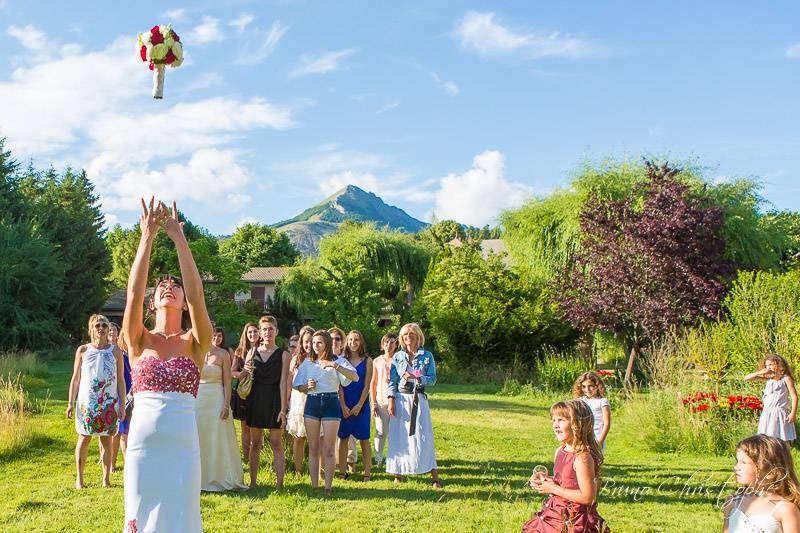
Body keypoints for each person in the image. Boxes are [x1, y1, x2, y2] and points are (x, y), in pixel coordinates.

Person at [121, 198, 213, 533]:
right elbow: (131, 294)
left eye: (174, 286)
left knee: (181, 520)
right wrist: (147, 236)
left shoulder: (196, 341)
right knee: (140, 517)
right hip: (144, 447)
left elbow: (198, 295)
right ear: (152, 302)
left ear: (183, 304)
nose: (168, 288)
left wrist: (178, 238)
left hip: (182, 447)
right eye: (162, 286)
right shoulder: (138, 340)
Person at [523, 399, 610, 532]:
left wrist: (553, 489)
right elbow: (566, 482)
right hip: (555, 513)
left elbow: (587, 497)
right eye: (554, 420)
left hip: (575, 520)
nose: (555, 425)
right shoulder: (560, 451)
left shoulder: (582, 457)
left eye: (561, 420)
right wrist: (546, 480)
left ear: (579, 424)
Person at [292, 330, 358, 496]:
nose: (315, 346)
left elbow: (355, 377)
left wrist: (334, 365)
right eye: (313, 343)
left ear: (327, 343)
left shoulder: (339, 361)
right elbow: (297, 386)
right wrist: (307, 386)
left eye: (319, 342)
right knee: (313, 448)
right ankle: (314, 486)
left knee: (328, 449)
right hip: (312, 403)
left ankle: (328, 486)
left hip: (331, 403)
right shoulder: (308, 363)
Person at [66, 314, 126, 489]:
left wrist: (122, 404)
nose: (101, 328)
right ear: (91, 329)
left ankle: (106, 479)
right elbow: (75, 378)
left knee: (106, 440)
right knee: (84, 438)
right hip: (87, 403)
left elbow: (120, 380)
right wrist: (71, 402)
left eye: (104, 325)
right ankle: (80, 478)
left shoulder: (115, 352)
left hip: (109, 402)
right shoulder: (83, 350)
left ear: (109, 329)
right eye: (97, 325)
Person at [386, 323, 441, 488]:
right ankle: (398, 473)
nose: (407, 337)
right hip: (401, 398)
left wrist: (418, 377)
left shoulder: (427, 356)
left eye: (410, 334)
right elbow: (393, 381)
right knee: (399, 436)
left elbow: (432, 378)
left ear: (418, 336)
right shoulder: (398, 357)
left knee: (423, 437)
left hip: (418, 397)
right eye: (404, 335)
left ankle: (434, 475)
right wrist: (391, 399)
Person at [241, 315, 291, 489]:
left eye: (271, 329)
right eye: (264, 329)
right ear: (260, 332)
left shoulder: (284, 354)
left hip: (275, 399)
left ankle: (280, 485)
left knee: (277, 443)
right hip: (255, 399)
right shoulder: (252, 352)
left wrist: (283, 409)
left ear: (276, 331)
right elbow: (243, 379)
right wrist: (245, 370)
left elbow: (284, 382)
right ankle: (253, 483)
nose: (267, 332)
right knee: (255, 443)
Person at [196, 327, 248, 491]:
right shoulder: (195, 352)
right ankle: (198, 477)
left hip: (216, 398)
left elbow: (227, 382)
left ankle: (219, 475)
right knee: (199, 437)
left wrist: (226, 404)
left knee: (217, 437)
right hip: (198, 400)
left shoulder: (223, 354)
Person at [723, 434, 800, 532]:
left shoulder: (786, 510)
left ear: (771, 472)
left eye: (743, 463)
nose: (736, 467)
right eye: (737, 461)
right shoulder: (733, 502)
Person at [337, 330, 373, 480]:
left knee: (364, 439)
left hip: (361, 405)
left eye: (356, 340)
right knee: (343, 438)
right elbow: (339, 385)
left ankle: (367, 473)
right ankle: (342, 472)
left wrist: (359, 405)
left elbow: (367, 385)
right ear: (347, 342)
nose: (353, 343)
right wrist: (343, 405)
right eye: (350, 340)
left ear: (361, 342)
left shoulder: (368, 361)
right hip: (345, 404)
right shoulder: (341, 360)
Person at [745, 354, 798, 443]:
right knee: (766, 439)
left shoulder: (785, 379)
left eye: (770, 365)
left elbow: (794, 396)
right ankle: (769, 456)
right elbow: (746, 378)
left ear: (778, 364)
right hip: (767, 412)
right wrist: (759, 372)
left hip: (779, 413)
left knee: (781, 439)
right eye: (766, 365)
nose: (768, 367)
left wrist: (793, 413)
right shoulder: (768, 378)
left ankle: (784, 455)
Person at [287, 327, 315, 474]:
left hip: (315, 400)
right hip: (298, 402)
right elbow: (289, 382)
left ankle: (316, 470)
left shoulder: (320, 360)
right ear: (301, 343)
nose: (309, 345)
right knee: (298, 438)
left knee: (315, 440)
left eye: (311, 341)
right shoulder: (295, 360)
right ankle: (298, 470)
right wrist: (285, 401)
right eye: (306, 342)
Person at [232, 322, 259, 457]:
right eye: (250, 332)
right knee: (245, 426)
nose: (252, 334)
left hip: (259, 390)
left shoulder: (263, 350)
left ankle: (257, 454)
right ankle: (247, 456)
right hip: (244, 391)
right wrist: (244, 371)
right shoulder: (239, 351)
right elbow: (232, 373)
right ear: (246, 334)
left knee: (257, 425)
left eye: (255, 331)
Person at [371, 333, 397, 468]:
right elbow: (373, 383)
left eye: (392, 342)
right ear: (383, 344)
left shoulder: (399, 359)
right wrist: (373, 402)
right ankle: (378, 458)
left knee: (395, 432)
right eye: (387, 342)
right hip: (381, 401)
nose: (389, 345)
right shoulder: (376, 361)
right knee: (381, 431)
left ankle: (392, 458)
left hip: (397, 400)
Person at [109, 322, 131, 472]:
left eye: (114, 330)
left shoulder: (124, 353)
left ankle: (127, 463)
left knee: (125, 430)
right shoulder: (107, 353)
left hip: (128, 393)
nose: (112, 332)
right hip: (112, 393)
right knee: (115, 431)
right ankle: (112, 463)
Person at [573, 371, 611, 452]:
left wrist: (601, 441)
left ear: (597, 386)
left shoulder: (602, 401)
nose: (587, 389)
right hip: (583, 437)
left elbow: (607, 423)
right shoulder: (581, 401)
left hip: (596, 437)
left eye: (590, 386)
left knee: (595, 461)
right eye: (584, 386)